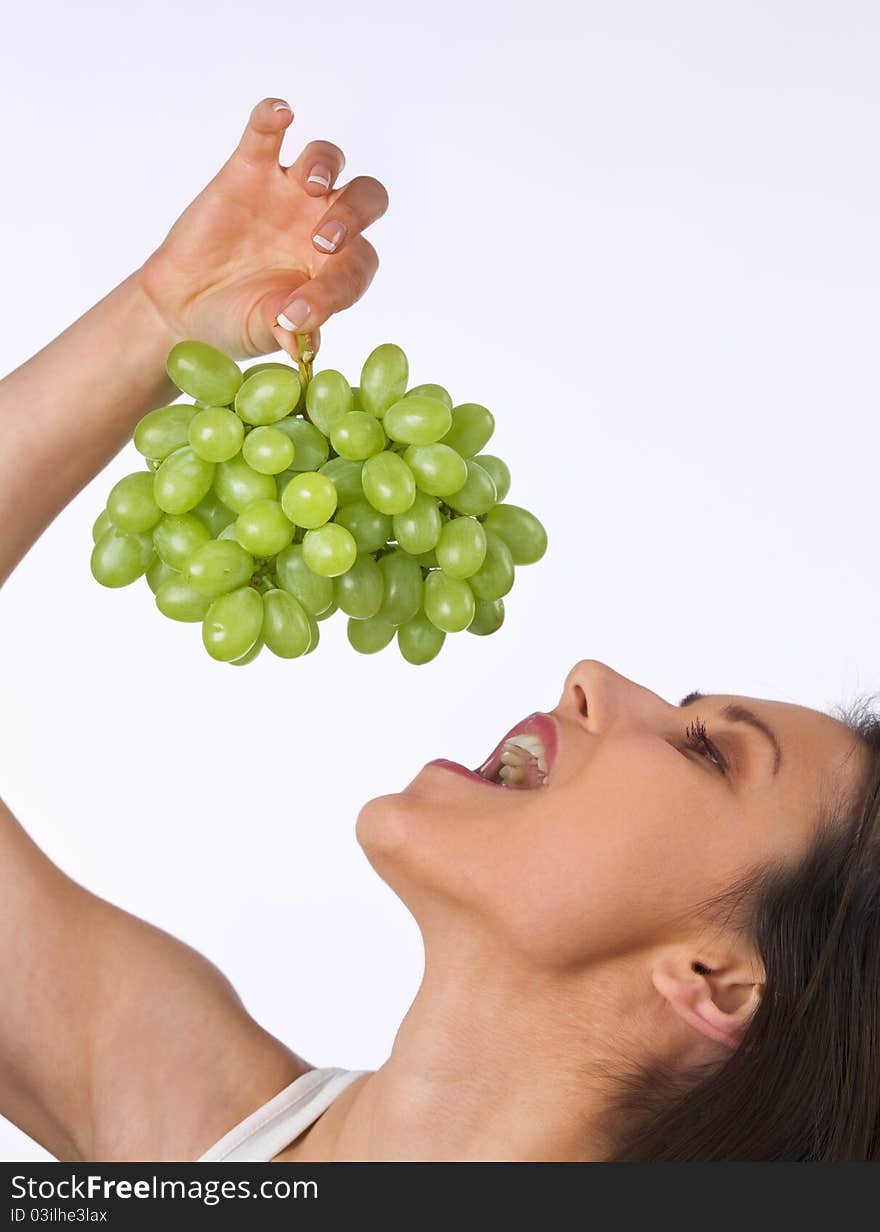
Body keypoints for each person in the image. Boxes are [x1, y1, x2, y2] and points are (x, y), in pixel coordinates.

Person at [1, 99, 878, 1164]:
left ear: (711, 980)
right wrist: (158, 317)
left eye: (706, 752)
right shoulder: (210, 1134)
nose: (593, 677)